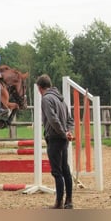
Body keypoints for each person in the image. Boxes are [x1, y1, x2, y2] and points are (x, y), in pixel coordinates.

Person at [36, 74, 74, 209]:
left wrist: (63, 132)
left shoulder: (46, 99)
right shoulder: (61, 100)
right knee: (65, 170)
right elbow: (70, 120)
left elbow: (52, 119)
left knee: (57, 172)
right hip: (64, 139)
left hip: (55, 137)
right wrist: (69, 132)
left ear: (39, 88)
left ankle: (58, 203)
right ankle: (69, 201)